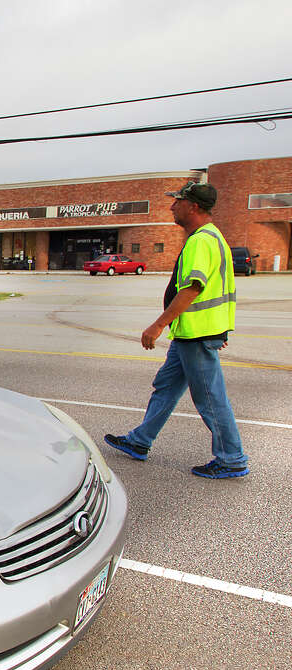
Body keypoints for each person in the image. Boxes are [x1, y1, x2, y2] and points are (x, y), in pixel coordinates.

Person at [104, 181, 248, 479]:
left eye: (177, 202)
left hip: (196, 334)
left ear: (193, 206)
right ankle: (140, 441)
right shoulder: (211, 237)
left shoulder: (201, 241)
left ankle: (232, 458)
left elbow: (193, 288)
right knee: (166, 387)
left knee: (210, 398)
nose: (172, 207)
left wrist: (158, 325)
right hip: (191, 334)